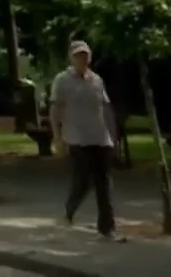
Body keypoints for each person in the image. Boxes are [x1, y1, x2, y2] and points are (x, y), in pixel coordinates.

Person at [52, 40, 126, 241]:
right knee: (83, 181)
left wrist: (113, 136)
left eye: (85, 55)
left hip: (100, 138)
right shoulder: (62, 80)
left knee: (103, 183)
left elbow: (106, 109)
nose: (82, 59)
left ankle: (107, 228)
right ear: (71, 57)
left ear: (89, 57)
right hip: (76, 138)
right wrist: (57, 136)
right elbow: (56, 109)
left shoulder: (96, 80)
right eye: (78, 55)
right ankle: (70, 208)